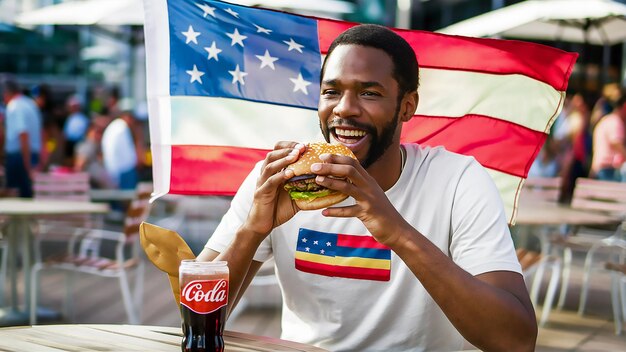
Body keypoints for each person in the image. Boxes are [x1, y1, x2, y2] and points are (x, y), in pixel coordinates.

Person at [194, 25, 536, 351]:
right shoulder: (278, 177)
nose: (344, 108)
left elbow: (515, 340)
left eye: (369, 93)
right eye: (331, 92)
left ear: (407, 106)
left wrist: (398, 233)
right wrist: (253, 230)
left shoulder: (458, 180)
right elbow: (194, 319)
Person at [2, 80, 42, 197]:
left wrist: (27, 163)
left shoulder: (14, 106)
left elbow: (23, 134)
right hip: (30, 154)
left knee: (17, 198)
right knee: (27, 195)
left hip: (20, 157)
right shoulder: (30, 104)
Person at [101, 110, 142, 189]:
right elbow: (115, 151)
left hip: (117, 170)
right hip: (123, 171)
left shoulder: (116, 126)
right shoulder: (121, 128)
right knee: (127, 197)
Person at [590, 93, 626, 181]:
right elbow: (616, 143)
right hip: (608, 170)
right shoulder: (616, 121)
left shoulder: (605, 120)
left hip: (599, 168)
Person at [62, 94, 90, 162]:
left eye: (74, 106)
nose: (72, 108)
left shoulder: (83, 118)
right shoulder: (70, 118)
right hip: (69, 144)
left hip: (79, 144)